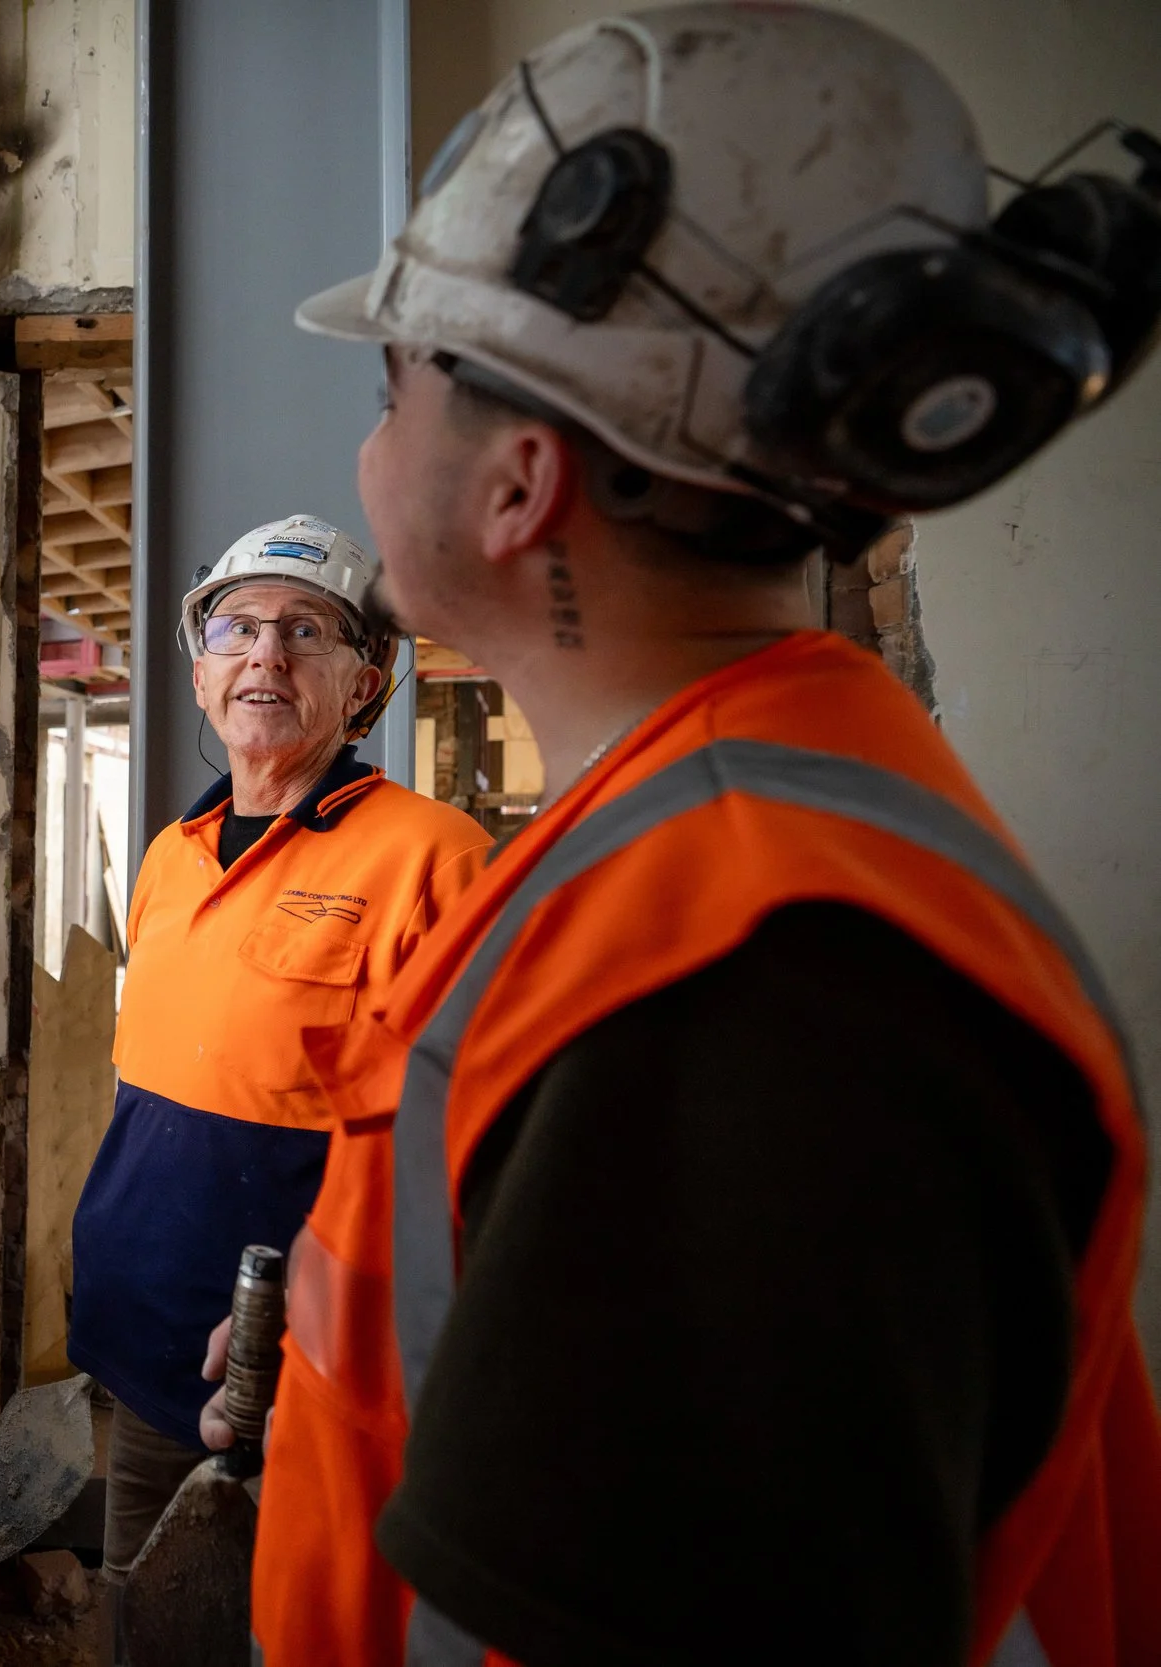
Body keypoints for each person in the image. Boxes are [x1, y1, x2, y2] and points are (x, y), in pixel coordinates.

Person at [219, 8, 1161, 1666]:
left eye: (393, 380)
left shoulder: (743, 987)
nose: (367, 451)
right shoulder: (702, 855)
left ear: (519, 484)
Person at [64, 516, 489, 1657]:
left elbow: (462, 1150)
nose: (266, 655)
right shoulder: (170, 852)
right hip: (138, 1332)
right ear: (199, 667)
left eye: (308, 631)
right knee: (141, 1619)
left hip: (290, 1371)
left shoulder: (431, 858)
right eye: (236, 627)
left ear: (367, 682)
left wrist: (318, 1328)